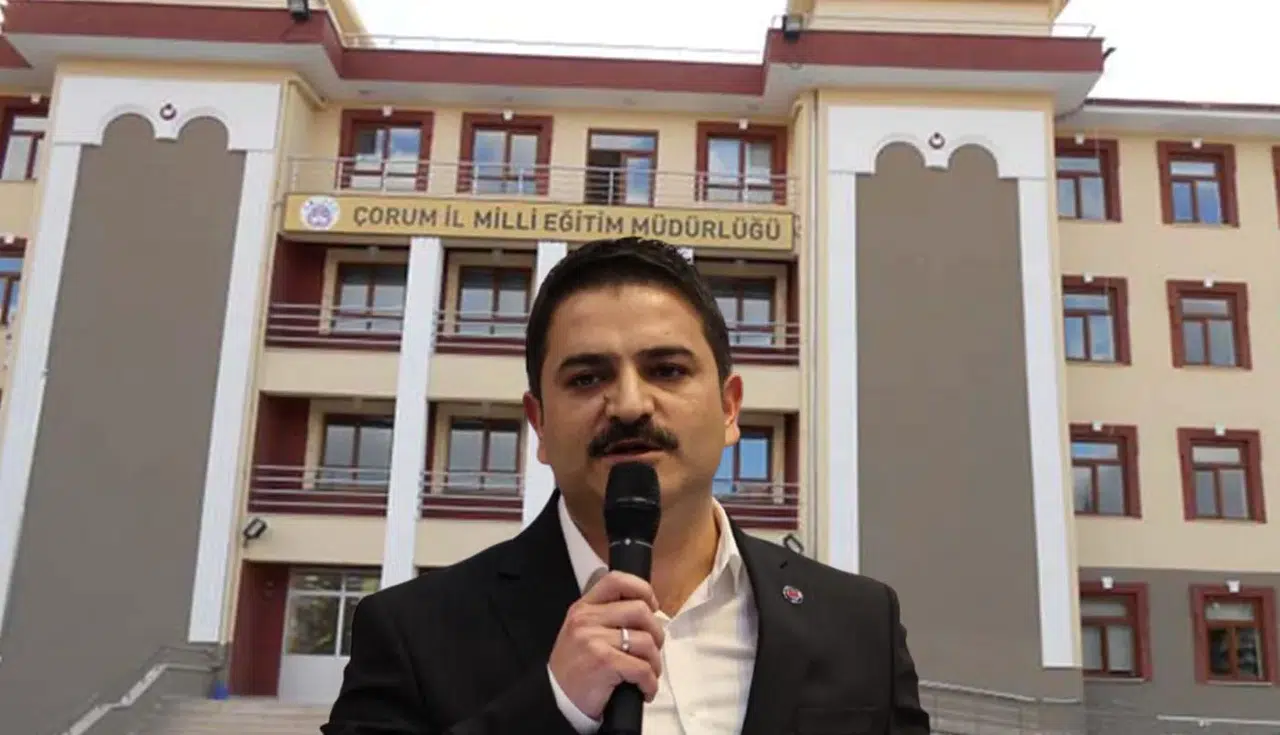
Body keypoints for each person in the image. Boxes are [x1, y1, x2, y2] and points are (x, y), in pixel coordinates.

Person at [321, 236, 931, 735]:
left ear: (728, 409)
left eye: (667, 370)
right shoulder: (413, 632)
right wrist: (553, 705)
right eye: (587, 378)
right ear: (539, 423)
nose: (631, 404)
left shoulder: (859, 625)